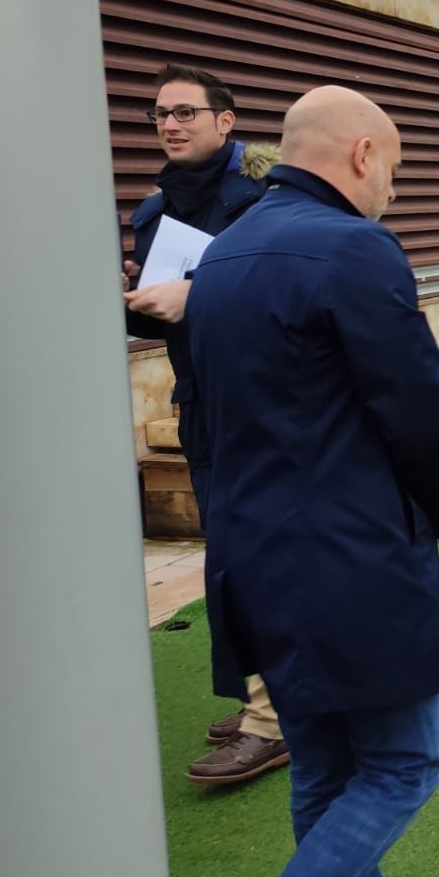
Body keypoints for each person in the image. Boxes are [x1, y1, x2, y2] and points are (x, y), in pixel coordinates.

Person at [184, 86, 439, 877]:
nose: (393, 189)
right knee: (405, 765)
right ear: (362, 155)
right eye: (394, 169)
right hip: (347, 555)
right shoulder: (356, 249)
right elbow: (418, 412)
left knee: (322, 765)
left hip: (250, 550)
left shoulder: (222, 255)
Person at [122, 62, 289, 786]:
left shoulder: (267, 196)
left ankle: (275, 718)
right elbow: (157, 312)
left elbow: (294, 293)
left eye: (186, 112)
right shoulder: (155, 212)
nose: (170, 124)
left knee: (260, 557)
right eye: (160, 113)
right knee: (226, 555)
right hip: (202, 402)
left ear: (226, 121)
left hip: (270, 402)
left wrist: (200, 297)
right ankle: (267, 695)